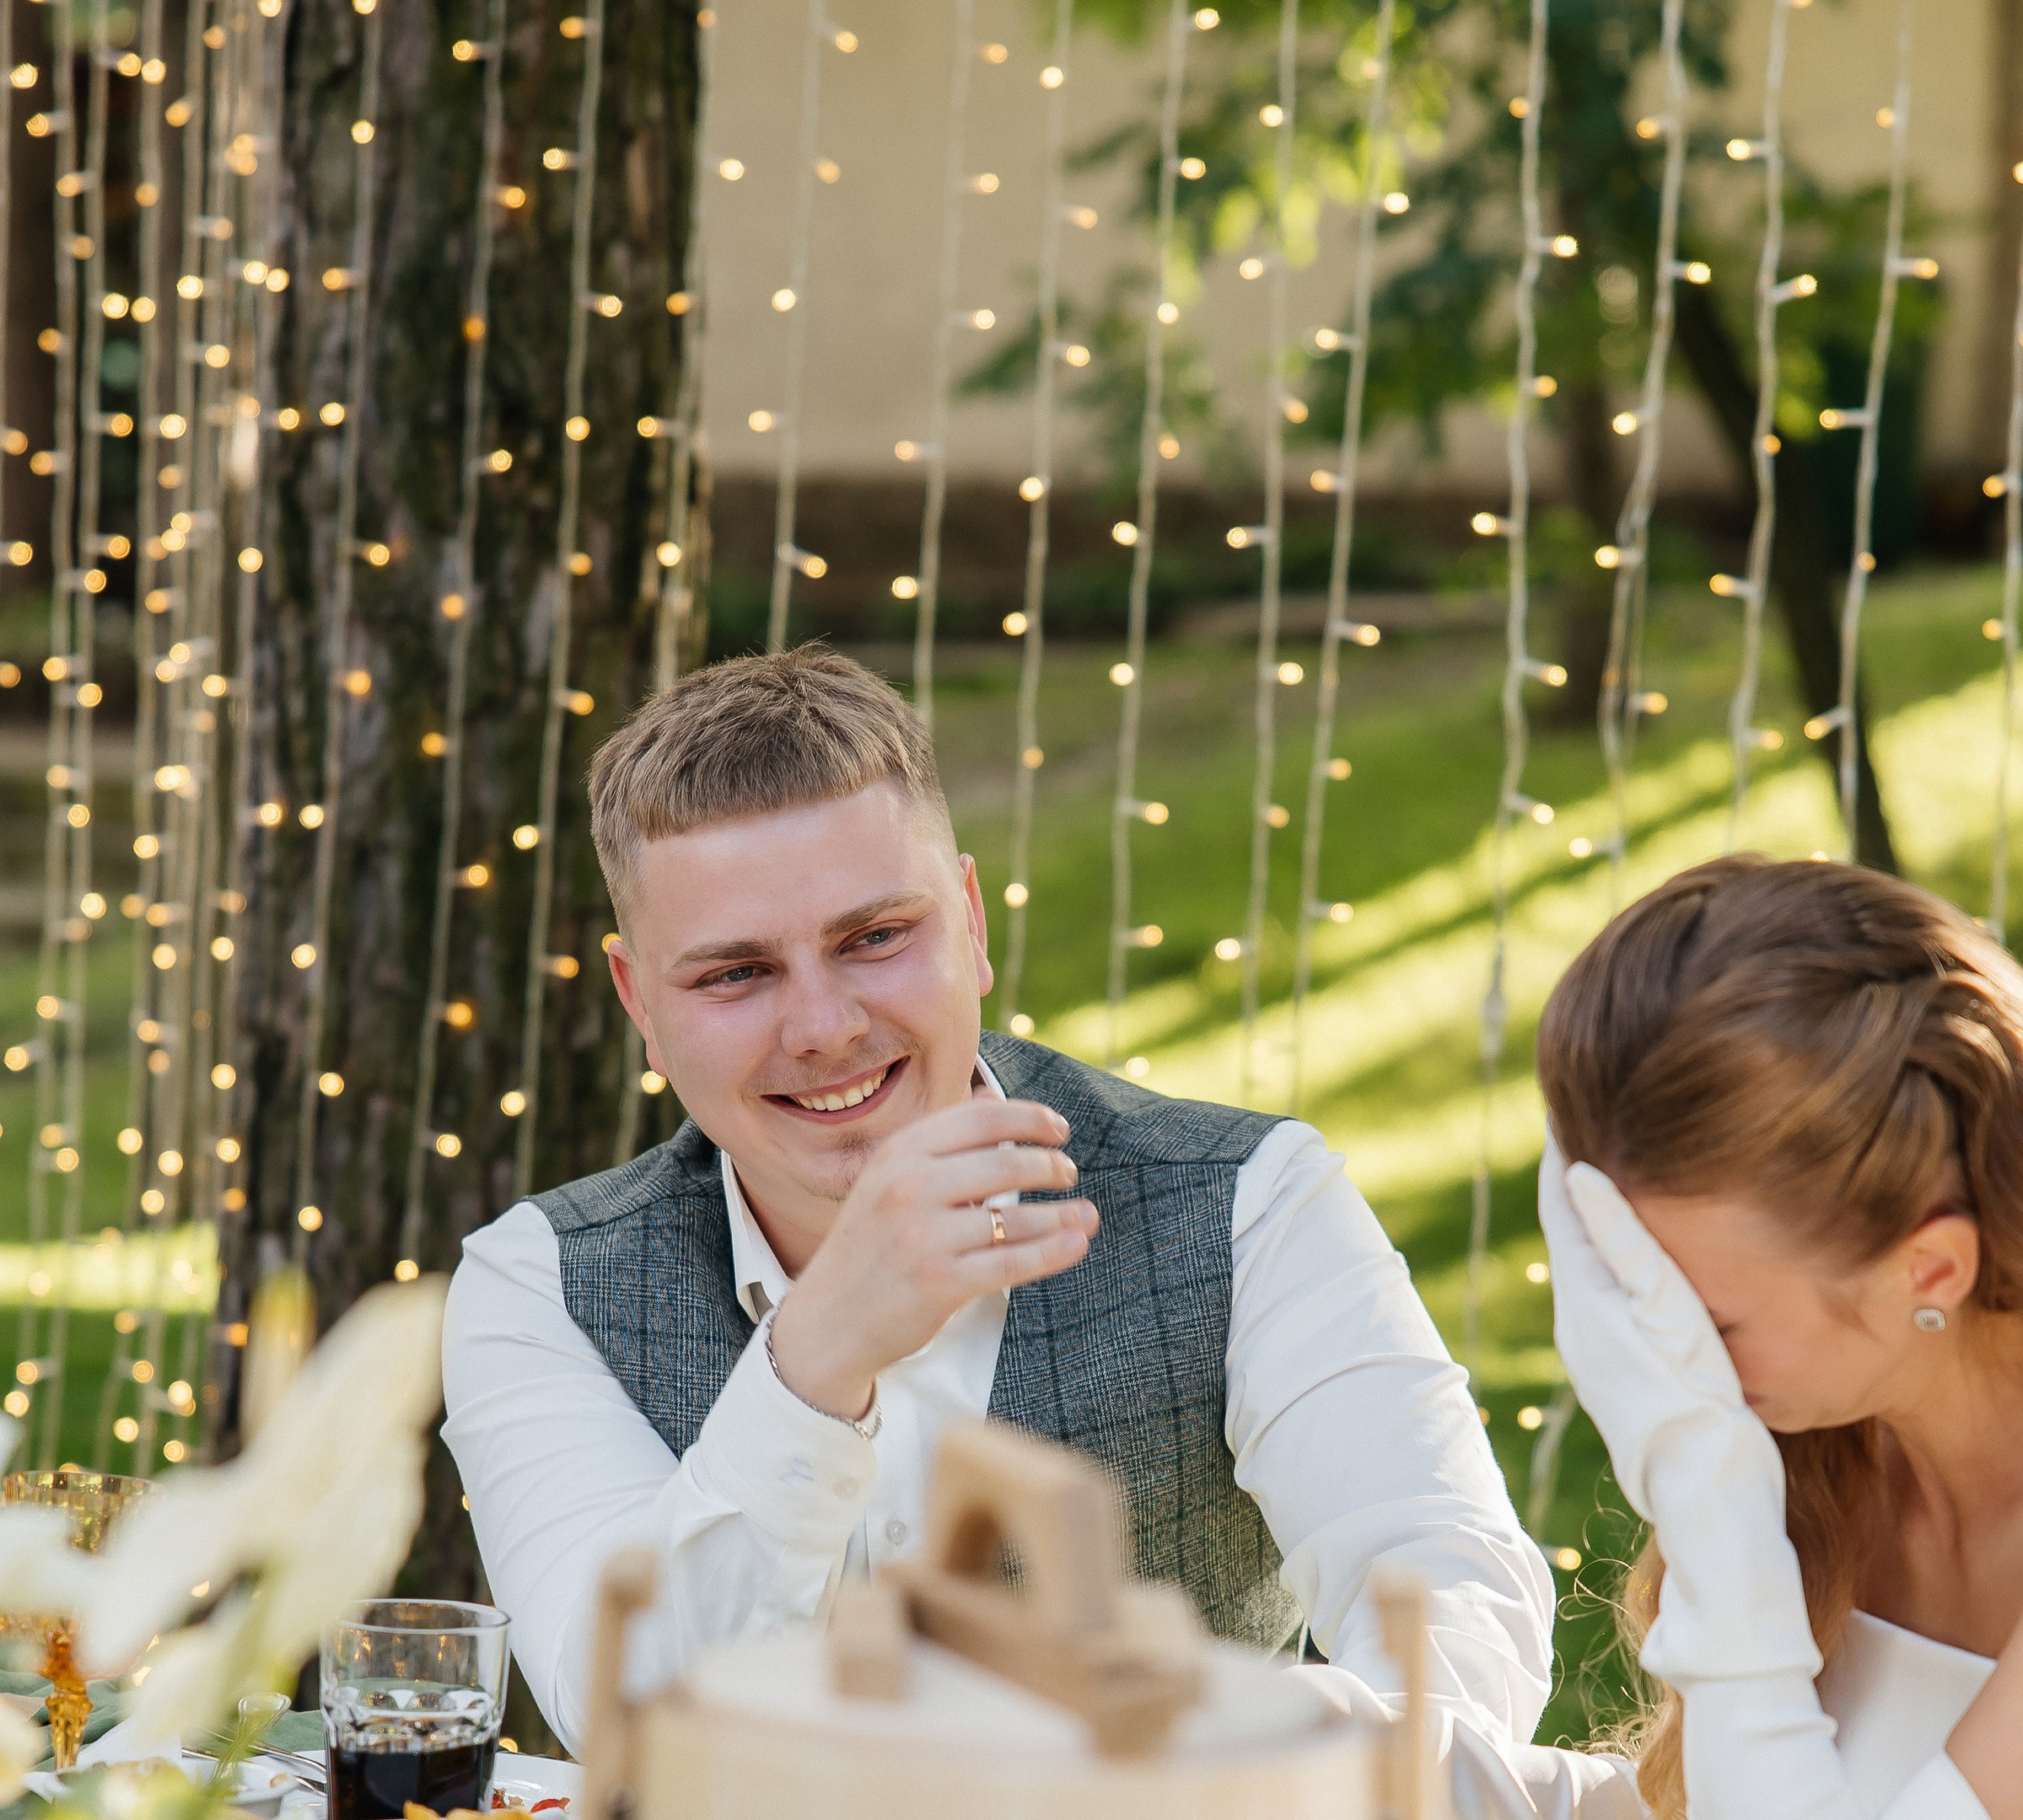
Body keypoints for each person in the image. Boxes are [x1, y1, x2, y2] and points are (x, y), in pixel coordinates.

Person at [442, 643, 1554, 1755]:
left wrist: (1228, 1784)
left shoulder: (1254, 1203)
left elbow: (1459, 1622)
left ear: (970, 922)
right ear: (641, 999)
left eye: (875, 937)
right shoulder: (534, 1283)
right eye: (735, 973)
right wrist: (820, 1352)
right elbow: (632, 1728)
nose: (824, 1026)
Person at [1442, 848, 2023, 1820]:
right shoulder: (1857, 1439)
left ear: (1927, 1267)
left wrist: (1709, 1503)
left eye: (1699, 1319)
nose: (1663, 1370)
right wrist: (1375, 1779)